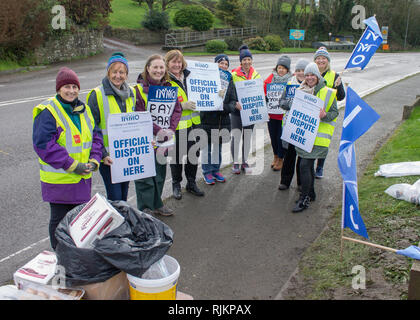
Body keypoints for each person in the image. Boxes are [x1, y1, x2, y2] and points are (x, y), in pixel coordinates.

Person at [32, 67, 103, 250]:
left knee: (79, 221)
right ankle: (60, 256)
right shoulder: (48, 112)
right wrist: (72, 165)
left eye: (74, 86)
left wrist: (95, 159)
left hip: (81, 178)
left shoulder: (84, 110)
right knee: (59, 221)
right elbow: (44, 145)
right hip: (60, 181)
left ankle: (75, 255)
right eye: (66, 87)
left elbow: (96, 136)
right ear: (58, 89)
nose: (71, 90)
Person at [133, 54, 182, 216]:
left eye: (161, 67)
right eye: (155, 67)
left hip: (164, 138)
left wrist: (170, 129)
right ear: (148, 68)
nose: (158, 70)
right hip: (146, 139)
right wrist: (158, 130)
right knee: (145, 176)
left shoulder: (168, 88)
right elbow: (140, 115)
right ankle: (145, 208)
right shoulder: (138, 90)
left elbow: (177, 110)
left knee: (160, 173)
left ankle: (157, 204)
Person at [87, 52, 137, 201]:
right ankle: (116, 223)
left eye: (122, 72)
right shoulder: (97, 94)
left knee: (124, 193)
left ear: (126, 75)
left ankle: (122, 221)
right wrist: (102, 154)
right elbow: (91, 128)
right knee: (115, 197)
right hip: (108, 157)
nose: (118, 76)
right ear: (108, 73)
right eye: (114, 72)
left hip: (126, 154)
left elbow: (136, 123)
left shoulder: (132, 93)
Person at [292, 62, 338, 213]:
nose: (310, 78)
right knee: (307, 166)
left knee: (304, 166)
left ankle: (304, 198)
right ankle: (310, 193)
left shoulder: (328, 92)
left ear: (318, 76)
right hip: (304, 137)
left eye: (312, 75)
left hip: (318, 139)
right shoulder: (301, 90)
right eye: (307, 75)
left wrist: (325, 115)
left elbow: (334, 113)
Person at [165, 49, 204, 200]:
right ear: (167, 63)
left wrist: (217, 95)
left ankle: (191, 183)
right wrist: (182, 106)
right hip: (177, 127)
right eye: (173, 61)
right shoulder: (165, 80)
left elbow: (204, 90)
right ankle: (176, 184)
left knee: (193, 154)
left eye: (179, 61)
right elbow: (164, 105)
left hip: (194, 124)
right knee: (176, 157)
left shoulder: (190, 76)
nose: (177, 64)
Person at [200, 54, 235, 185]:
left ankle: (216, 170)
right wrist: (214, 100)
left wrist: (223, 107)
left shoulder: (230, 80)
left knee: (218, 149)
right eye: (221, 63)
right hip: (207, 121)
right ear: (215, 64)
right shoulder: (207, 79)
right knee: (206, 148)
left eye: (226, 64)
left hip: (222, 122)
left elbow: (233, 100)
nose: (224, 66)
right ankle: (206, 172)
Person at [313, 47, 345, 179]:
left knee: (322, 141)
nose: (321, 61)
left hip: (327, 115)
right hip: (312, 112)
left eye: (323, 58)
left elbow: (341, 96)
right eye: (318, 58)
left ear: (328, 61)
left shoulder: (334, 76)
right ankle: (309, 164)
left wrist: (338, 86)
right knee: (310, 140)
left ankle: (320, 167)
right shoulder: (311, 73)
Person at [278, 58, 310, 191]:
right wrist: (292, 104)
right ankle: (285, 181)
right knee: (289, 156)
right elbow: (282, 103)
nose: (300, 73)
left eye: (303, 70)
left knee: (302, 159)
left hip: (303, 127)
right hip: (290, 126)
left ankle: (301, 183)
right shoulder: (289, 84)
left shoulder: (311, 86)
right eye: (298, 70)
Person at [230, 45, 261, 175]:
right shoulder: (233, 74)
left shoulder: (256, 74)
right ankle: (235, 162)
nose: (247, 62)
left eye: (249, 59)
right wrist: (234, 103)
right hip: (237, 112)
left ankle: (244, 161)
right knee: (236, 137)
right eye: (244, 60)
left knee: (247, 137)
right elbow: (229, 94)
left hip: (251, 112)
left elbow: (259, 93)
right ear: (240, 61)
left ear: (251, 60)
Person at [263, 55, 292, 171]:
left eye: (284, 68)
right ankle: (275, 156)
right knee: (273, 137)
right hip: (271, 114)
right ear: (276, 68)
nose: (281, 70)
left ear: (287, 70)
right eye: (279, 67)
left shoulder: (291, 80)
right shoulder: (270, 78)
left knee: (281, 138)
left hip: (283, 115)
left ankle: (281, 158)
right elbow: (264, 90)